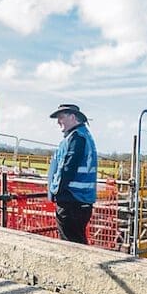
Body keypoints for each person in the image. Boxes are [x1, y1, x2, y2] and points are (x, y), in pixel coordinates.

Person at [46, 103, 97, 244]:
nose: (58, 122)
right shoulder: (82, 136)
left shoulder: (76, 138)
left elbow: (68, 168)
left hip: (72, 201)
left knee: (70, 245)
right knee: (77, 242)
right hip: (80, 201)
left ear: (72, 117)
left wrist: (57, 192)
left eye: (61, 117)